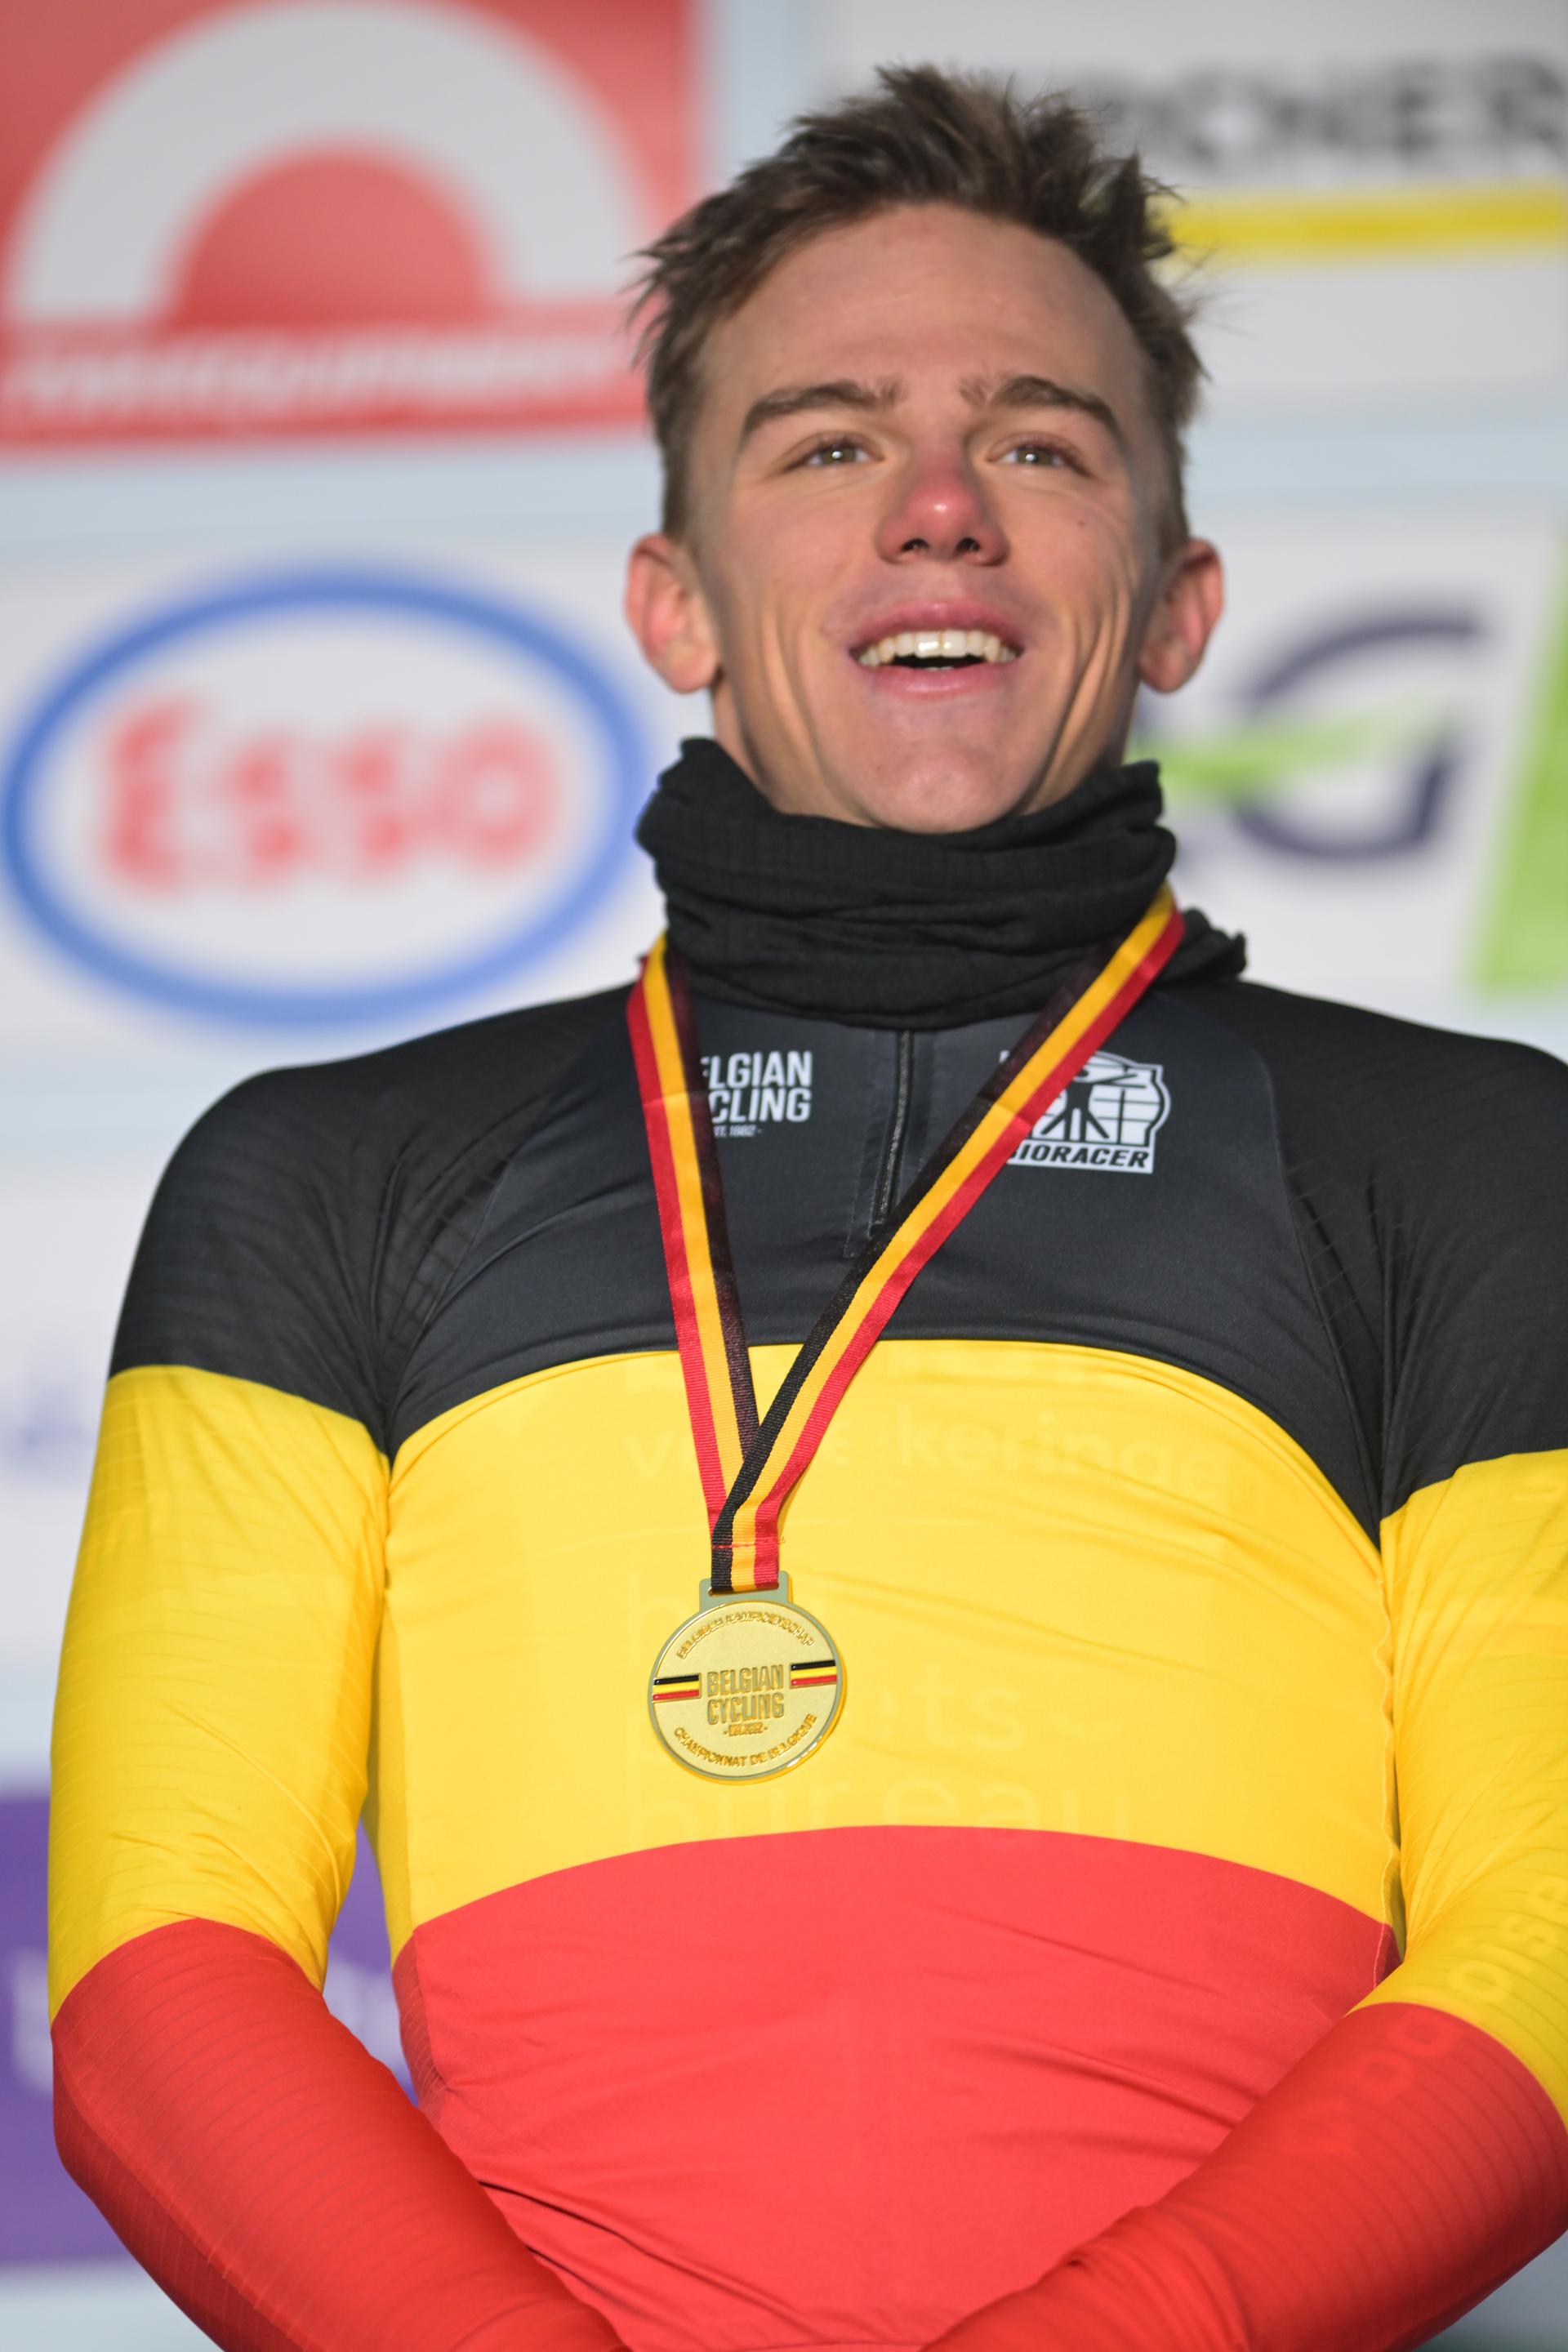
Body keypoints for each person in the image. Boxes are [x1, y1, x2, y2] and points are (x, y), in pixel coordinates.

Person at [49, 65, 1568, 2352]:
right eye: (830, 440)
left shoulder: (1472, 1159)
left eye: (1043, 441)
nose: (941, 506)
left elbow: (1547, 1941)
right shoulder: (319, 1177)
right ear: (674, 595)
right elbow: (161, 1979)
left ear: (1176, 600)